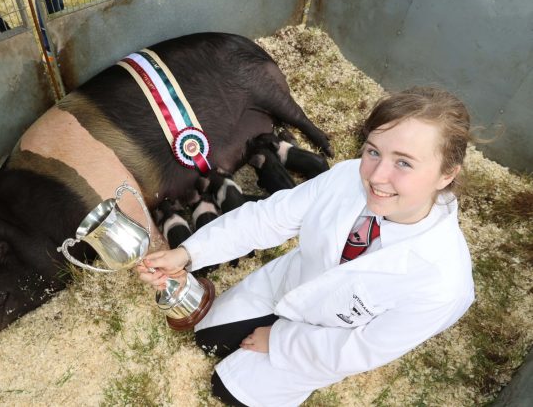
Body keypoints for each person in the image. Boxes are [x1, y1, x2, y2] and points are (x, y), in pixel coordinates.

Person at [137, 86, 476, 406]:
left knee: (227, 388)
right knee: (205, 337)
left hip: (329, 337)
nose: (376, 176)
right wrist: (186, 253)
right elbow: (267, 218)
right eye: (373, 151)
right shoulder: (346, 177)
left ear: (446, 174)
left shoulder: (444, 283)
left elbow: (363, 349)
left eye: (404, 162)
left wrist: (279, 341)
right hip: (290, 283)